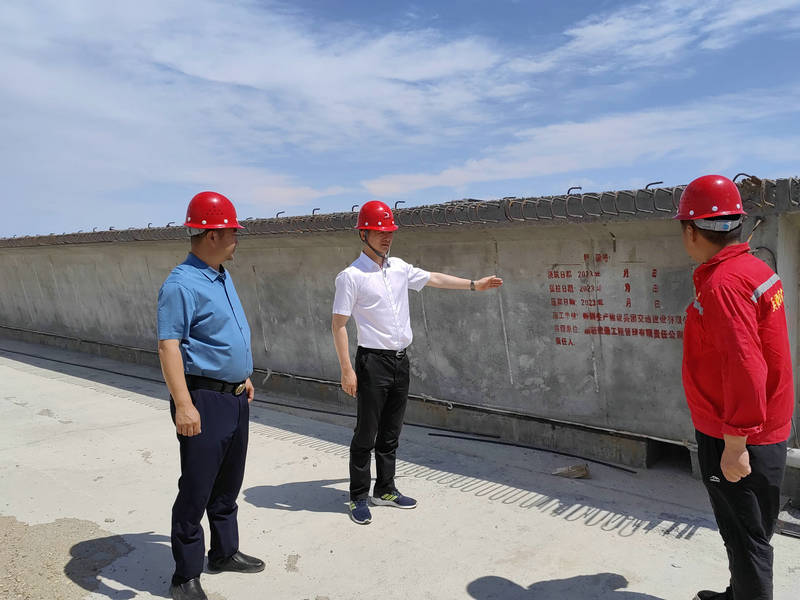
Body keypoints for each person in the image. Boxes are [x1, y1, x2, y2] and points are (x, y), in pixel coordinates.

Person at [331, 200, 503, 525]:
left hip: (400, 361)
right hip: (372, 363)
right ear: (363, 234)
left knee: (391, 432)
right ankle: (358, 497)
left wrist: (473, 285)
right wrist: (346, 370)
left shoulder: (398, 268)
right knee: (366, 434)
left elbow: (434, 278)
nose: (387, 238)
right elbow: (338, 324)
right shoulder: (351, 277)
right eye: (380, 232)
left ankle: (385, 489)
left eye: (390, 232)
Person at [677, 175, 794, 600]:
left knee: (746, 538)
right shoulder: (755, 270)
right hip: (764, 424)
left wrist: (735, 444)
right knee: (750, 529)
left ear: (692, 231)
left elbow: (745, 366)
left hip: (737, 432)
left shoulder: (724, 284)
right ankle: (737, 593)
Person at [157, 191, 264, 600]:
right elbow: (169, 346)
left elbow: (222, 335)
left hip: (234, 397)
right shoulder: (181, 284)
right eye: (232, 231)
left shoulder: (220, 275)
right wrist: (184, 404)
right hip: (202, 399)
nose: (237, 238)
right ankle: (185, 576)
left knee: (228, 481)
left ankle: (224, 552)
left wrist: (243, 376)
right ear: (212, 235)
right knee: (197, 487)